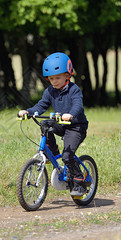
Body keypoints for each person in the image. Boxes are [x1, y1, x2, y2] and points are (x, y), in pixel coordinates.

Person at [18, 52, 88, 196]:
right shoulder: (50, 91)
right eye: (51, 79)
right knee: (45, 124)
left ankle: (80, 182)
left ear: (67, 76)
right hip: (61, 125)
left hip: (76, 127)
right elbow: (41, 106)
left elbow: (77, 106)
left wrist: (71, 115)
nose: (54, 81)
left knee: (68, 156)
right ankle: (52, 151)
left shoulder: (74, 90)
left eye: (58, 78)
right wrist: (28, 111)